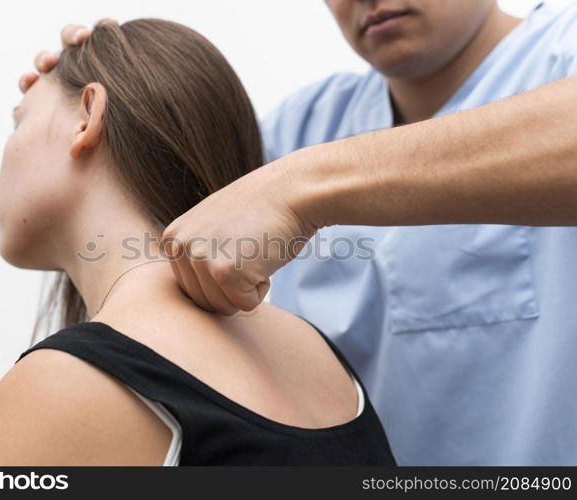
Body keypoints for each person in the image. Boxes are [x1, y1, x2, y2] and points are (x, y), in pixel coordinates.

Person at [32, 1, 577, 465]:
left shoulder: (561, 49)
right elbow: (156, 219)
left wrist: (303, 186)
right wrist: (64, 112)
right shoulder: (304, 127)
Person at [0, 19, 396, 466]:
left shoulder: (68, 386)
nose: (2, 162)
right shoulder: (322, 360)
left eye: (20, 120)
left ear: (87, 116)